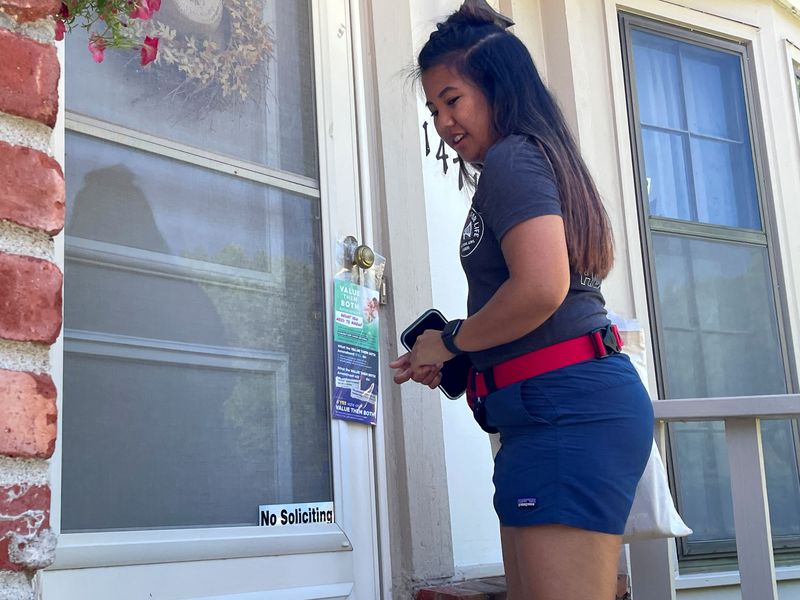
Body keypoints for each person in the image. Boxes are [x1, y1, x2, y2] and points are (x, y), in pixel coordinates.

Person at [388, 4, 654, 600]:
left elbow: (540, 288)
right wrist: (460, 350)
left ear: (496, 87)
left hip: (566, 413)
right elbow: (538, 299)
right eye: (433, 109)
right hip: (542, 414)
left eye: (452, 100)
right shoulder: (527, 161)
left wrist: (453, 339)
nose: (443, 122)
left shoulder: (514, 158)